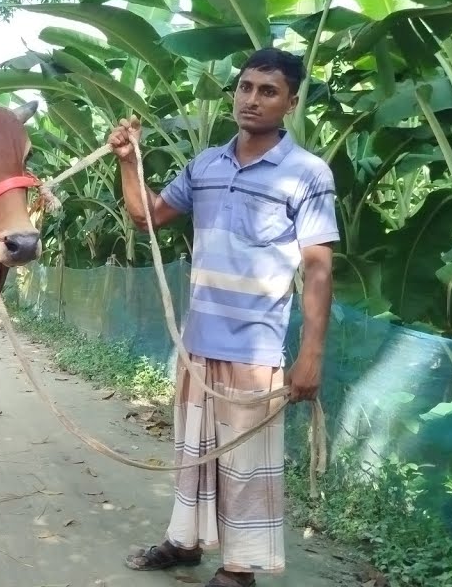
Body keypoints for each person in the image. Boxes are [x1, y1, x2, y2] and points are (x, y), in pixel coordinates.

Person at [109, 47, 338, 587]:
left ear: (291, 102)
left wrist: (310, 356)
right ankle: (185, 542)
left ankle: (239, 569)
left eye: (268, 91)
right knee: (193, 451)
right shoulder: (206, 165)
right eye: (245, 87)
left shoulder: (307, 174)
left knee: (246, 464)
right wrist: (126, 160)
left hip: (256, 348)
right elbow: (146, 217)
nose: (252, 100)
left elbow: (318, 268)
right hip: (198, 341)